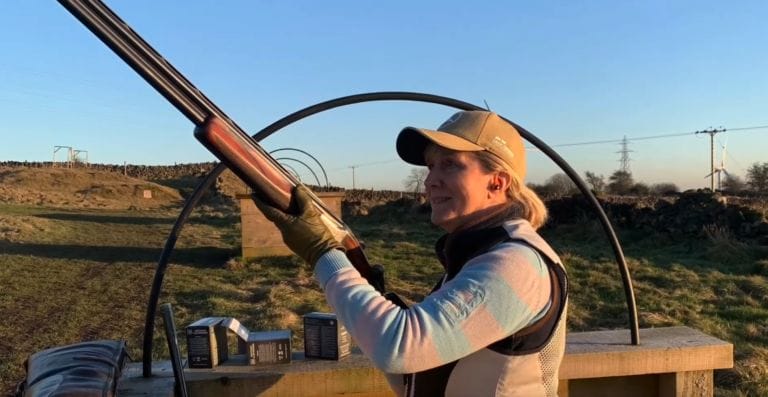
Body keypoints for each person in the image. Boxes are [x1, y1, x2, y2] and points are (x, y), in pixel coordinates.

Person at [254, 110, 568, 397]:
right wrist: (373, 293)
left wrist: (323, 251)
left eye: (450, 164)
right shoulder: (479, 254)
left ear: (497, 182)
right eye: (431, 166)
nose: (430, 181)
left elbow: (400, 347)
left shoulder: (517, 264)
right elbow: (416, 370)